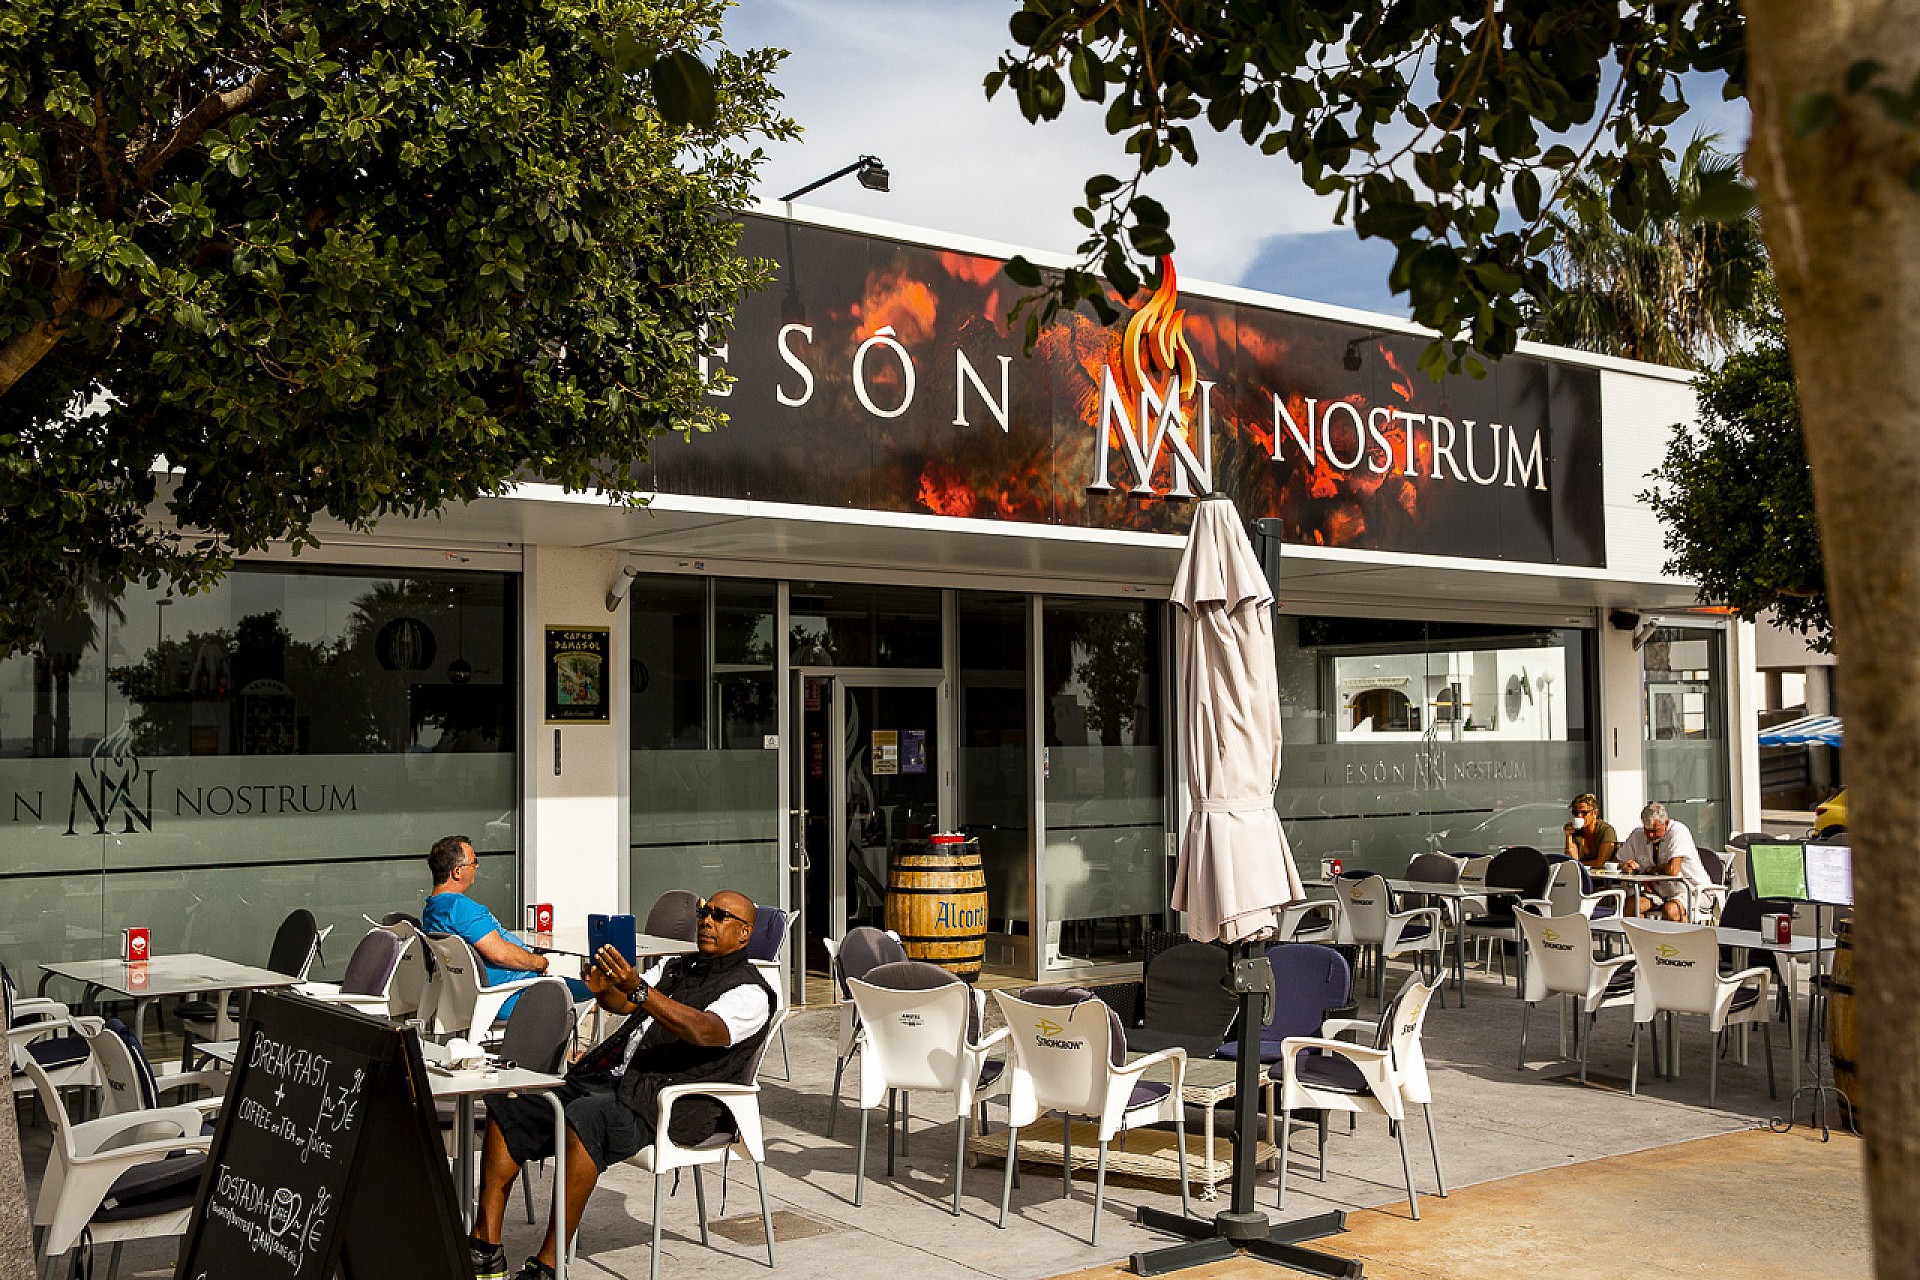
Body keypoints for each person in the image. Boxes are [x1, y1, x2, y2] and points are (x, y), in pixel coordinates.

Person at [467, 890, 774, 1280]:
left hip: (672, 1103)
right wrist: (603, 987)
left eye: (719, 916)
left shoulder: (750, 991)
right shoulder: (678, 966)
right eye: (704, 913)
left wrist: (640, 992)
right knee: (511, 1104)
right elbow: (626, 1002)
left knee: (586, 1117)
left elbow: (703, 1030)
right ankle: (486, 1248)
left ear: (744, 933)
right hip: (618, 1081)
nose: (707, 921)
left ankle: (548, 1264)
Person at [420, 834, 587, 1009]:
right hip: (510, 995)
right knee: (596, 990)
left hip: (472, 998)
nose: (477, 866)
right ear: (457, 872)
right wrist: (538, 962)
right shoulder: (460, 908)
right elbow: (500, 955)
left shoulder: (432, 910)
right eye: (474, 861)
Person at [1617, 802, 1711, 920]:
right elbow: (1618, 861)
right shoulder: (1637, 835)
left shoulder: (1678, 831)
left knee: (1670, 911)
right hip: (1660, 892)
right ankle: (1644, 932)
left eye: (1655, 830)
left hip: (1692, 890)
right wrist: (1625, 865)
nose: (1651, 835)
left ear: (1666, 823)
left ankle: (1685, 931)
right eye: (1647, 831)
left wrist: (1652, 870)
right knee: (1630, 906)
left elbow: (1673, 870)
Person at [1563, 793, 1619, 869]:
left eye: (1584, 813)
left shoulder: (1606, 830)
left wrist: (1579, 864)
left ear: (1595, 813)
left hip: (1605, 875)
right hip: (1584, 873)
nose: (1579, 816)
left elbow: (1600, 863)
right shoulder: (1576, 831)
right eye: (1575, 813)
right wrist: (1568, 836)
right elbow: (1571, 861)